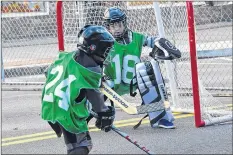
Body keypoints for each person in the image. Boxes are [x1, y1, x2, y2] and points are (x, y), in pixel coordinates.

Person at [41, 25, 115, 154]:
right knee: (82, 146)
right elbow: (96, 100)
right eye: (105, 50)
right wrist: (105, 114)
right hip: (66, 111)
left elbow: (47, 72)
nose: (106, 54)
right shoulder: (91, 69)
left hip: (50, 103)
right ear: (93, 48)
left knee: (73, 143)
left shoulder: (66, 56)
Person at [102, 7, 181, 129]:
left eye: (119, 25)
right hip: (110, 81)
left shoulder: (137, 38)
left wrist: (161, 43)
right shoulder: (103, 42)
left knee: (147, 69)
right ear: (108, 27)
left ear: (124, 23)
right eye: (112, 26)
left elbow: (152, 41)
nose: (116, 29)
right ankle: (83, 117)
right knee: (92, 86)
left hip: (133, 82)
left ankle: (159, 118)